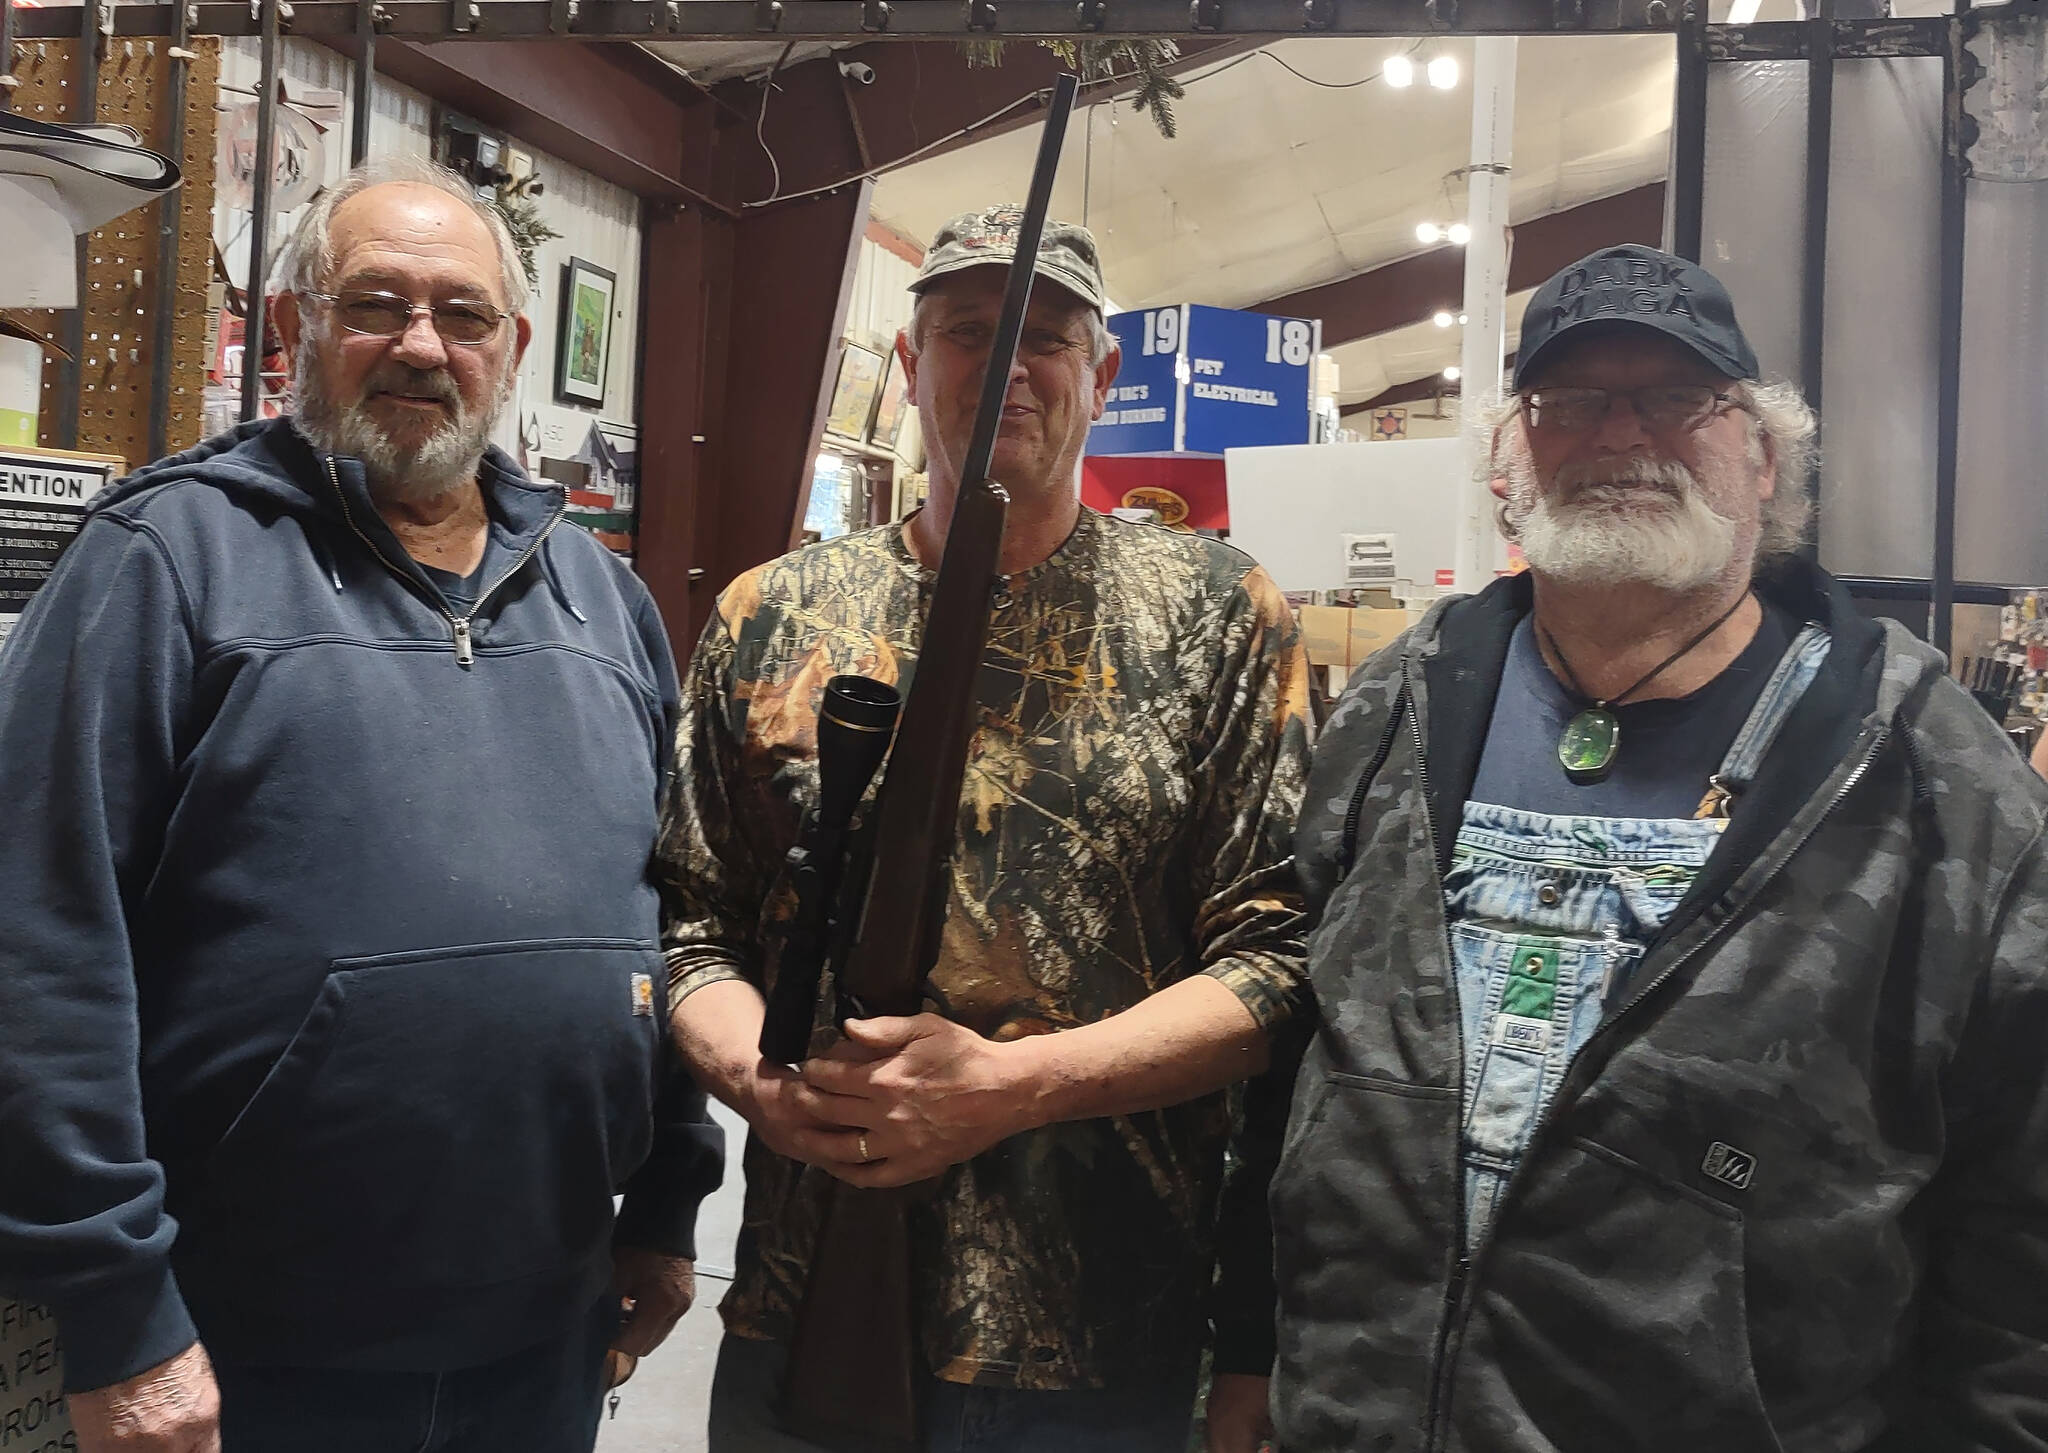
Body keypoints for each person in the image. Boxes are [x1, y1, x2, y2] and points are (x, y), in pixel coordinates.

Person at [1264, 243, 2048, 1449]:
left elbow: (2022, 1211)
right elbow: (1290, 1047)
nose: (1617, 434)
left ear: (1764, 455)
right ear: (1503, 463)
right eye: (1567, 402)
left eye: (1677, 398)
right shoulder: (1399, 707)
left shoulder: (1921, 768)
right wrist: (1242, 1345)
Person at [0, 157, 722, 1453]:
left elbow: (666, 921)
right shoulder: (169, 561)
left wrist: (671, 1193)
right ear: (297, 329)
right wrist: (118, 1316)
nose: (421, 346)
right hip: (245, 1350)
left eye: (463, 315)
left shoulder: (601, 602)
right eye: (376, 305)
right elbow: (35, 947)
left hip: (547, 1334)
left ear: (512, 347)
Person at [655, 204, 1313, 1452]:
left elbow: (1278, 962)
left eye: (1046, 337)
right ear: (908, 364)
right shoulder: (770, 613)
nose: (1005, 364)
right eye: (966, 330)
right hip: (803, 1305)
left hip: (1108, 1322)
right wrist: (758, 1080)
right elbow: (687, 919)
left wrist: (1011, 1088)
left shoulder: (1219, 615)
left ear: (1102, 375)